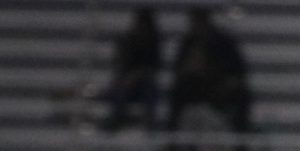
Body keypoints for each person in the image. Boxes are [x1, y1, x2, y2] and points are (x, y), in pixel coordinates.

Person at [165, 8, 250, 143]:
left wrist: (226, 80)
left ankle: (241, 142)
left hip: (219, 86)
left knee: (242, 95)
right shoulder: (189, 42)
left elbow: (238, 69)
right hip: (196, 88)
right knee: (177, 92)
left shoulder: (222, 41)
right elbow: (179, 68)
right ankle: (172, 142)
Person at [102, 7, 162, 131]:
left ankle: (150, 123)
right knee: (122, 88)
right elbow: (122, 64)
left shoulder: (153, 43)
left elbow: (152, 67)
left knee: (148, 87)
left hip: (144, 84)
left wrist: (135, 76)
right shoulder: (128, 41)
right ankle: (115, 119)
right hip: (128, 85)